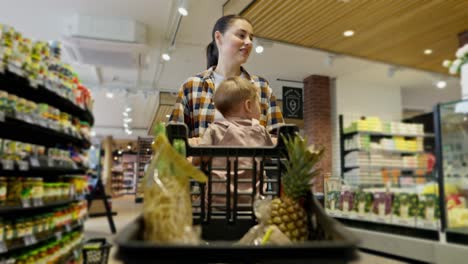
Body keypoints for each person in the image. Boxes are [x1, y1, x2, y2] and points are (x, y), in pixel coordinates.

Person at [169, 14, 284, 140]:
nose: (249, 42)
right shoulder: (192, 86)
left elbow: (280, 139)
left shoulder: (262, 87)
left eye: (251, 38)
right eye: (241, 35)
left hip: (252, 160)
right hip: (203, 160)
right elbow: (174, 139)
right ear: (219, 38)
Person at [198, 76, 274, 208]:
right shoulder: (260, 131)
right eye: (259, 104)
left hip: (216, 201)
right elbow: (270, 156)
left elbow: (199, 158)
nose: (261, 109)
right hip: (252, 202)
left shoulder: (214, 129)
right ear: (248, 105)